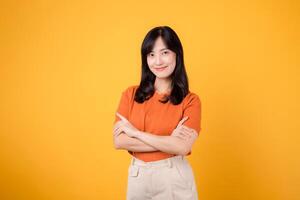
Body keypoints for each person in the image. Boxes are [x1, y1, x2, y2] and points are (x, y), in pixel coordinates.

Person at [113, 26, 202, 200]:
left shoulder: (191, 101)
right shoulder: (130, 95)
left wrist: (135, 134)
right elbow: (119, 141)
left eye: (165, 52)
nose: (158, 61)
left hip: (173, 177)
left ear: (177, 54)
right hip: (137, 177)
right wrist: (169, 140)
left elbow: (183, 147)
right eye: (151, 55)